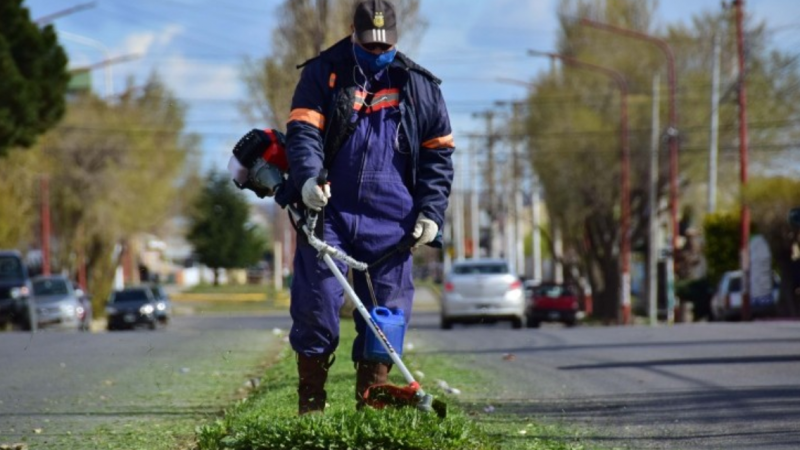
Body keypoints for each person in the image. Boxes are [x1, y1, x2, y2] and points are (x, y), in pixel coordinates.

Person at [284, 0, 455, 414]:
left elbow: (438, 156)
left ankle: (370, 411)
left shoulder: (420, 86)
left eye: (385, 47)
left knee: (386, 321)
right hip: (329, 216)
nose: (377, 54)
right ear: (353, 34)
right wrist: (307, 180)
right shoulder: (322, 73)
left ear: (396, 41)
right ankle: (311, 407)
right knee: (316, 307)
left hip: (393, 225)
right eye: (369, 45)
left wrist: (431, 212)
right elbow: (303, 133)